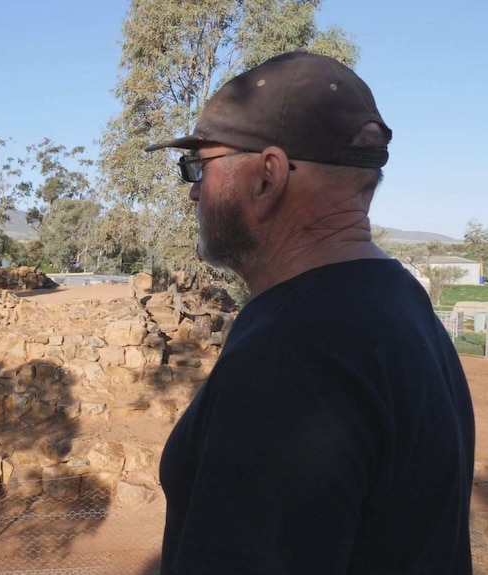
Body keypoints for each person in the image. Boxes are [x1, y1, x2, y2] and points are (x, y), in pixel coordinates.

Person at [145, 51, 474, 574]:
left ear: (268, 177)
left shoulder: (291, 356)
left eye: (198, 166)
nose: (191, 190)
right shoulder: (398, 302)